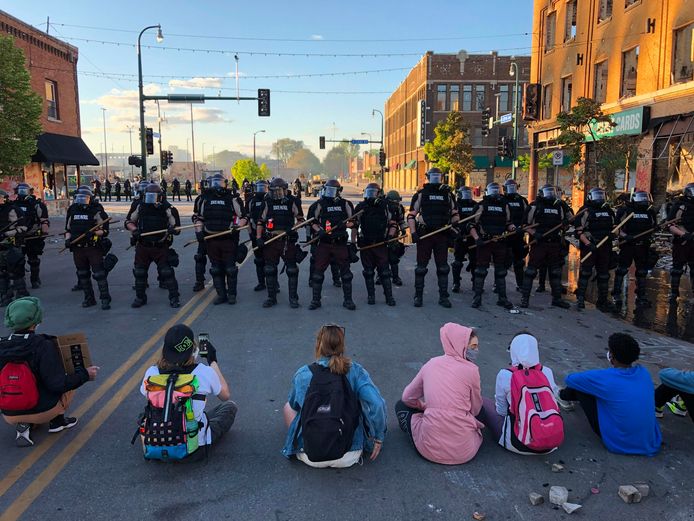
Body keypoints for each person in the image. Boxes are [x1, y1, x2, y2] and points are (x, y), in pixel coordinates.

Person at [282, 324, 386, 468]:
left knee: (288, 407)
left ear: (318, 345)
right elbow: (377, 404)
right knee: (358, 405)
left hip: (310, 455)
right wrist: (379, 438)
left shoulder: (303, 374)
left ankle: (304, 441)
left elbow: (294, 405)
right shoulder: (355, 371)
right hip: (349, 454)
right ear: (342, 346)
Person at [0, 297, 99, 447]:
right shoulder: (43, 345)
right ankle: (57, 421)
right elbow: (58, 384)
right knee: (69, 377)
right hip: (43, 410)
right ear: (35, 322)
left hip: (8, 413)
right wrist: (85, 374)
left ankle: (24, 423)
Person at [395, 323, 485, 465]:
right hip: (464, 452)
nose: (476, 350)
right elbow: (475, 409)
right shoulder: (472, 370)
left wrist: (424, 407)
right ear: (459, 345)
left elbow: (407, 397)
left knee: (400, 405)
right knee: (483, 406)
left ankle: (414, 430)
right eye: (473, 347)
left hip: (429, 450)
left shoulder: (431, 364)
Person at [138, 324, 236, 455]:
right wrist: (212, 361)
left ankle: (150, 447)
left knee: (143, 416)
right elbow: (225, 395)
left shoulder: (152, 373)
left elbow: (150, 399)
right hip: (195, 448)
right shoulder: (204, 372)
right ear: (193, 350)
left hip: (159, 442)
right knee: (229, 407)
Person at [559, 332, 662, 456]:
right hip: (650, 442)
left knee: (581, 388)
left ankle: (561, 396)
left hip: (619, 442)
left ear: (612, 356)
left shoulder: (606, 378)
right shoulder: (644, 373)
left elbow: (571, 379)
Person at [488, 332, 562, 454]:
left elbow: (501, 411)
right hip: (551, 443)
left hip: (517, 443)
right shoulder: (547, 372)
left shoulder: (506, 374)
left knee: (485, 404)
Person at [407, 168, 460, 308]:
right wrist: (413, 233)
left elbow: (455, 213)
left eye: (438, 176)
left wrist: (455, 223)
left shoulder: (448, 194)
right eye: (433, 176)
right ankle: (418, 296)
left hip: (442, 234)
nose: (436, 178)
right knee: (421, 268)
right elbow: (411, 215)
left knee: (443, 268)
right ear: (428, 177)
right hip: (425, 235)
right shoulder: (421, 194)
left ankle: (443, 297)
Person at [194, 173, 248, 305]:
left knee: (230, 269)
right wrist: (199, 232)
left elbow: (243, 216)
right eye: (215, 183)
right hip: (211, 238)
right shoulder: (204, 199)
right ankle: (221, 295)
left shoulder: (232, 199)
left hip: (228, 238)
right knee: (216, 269)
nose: (217, 186)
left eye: (220, 183)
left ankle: (232, 295)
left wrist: (237, 226)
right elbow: (198, 217)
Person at [125, 184, 181, 308]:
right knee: (140, 272)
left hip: (160, 246)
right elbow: (128, 221)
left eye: (153, 197)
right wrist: (134, 230)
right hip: (143, 245)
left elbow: (177, 228)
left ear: (160, 197)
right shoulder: (140, 207)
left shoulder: (168, 208)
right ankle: (140, 298)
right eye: (148, 197)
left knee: (166, 272)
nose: (151, 200)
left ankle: (174, 297)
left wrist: (173, 229)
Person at [308, 179, 357, 310]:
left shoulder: (345, 204)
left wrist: (345, 224)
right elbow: (311, 221)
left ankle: (348, 300)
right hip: (324, 243)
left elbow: (354, 222)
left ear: (339, 191)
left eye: (333, 190)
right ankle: (316, 301)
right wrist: (319, 231)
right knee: (318, 274)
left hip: (340, 243)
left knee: (346, 274)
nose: (330, 193)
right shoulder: (319, 204)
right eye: (328, 190)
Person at [520, 185, 571, 309]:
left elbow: (569, 222)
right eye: (547, 192)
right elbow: (525, 225)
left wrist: (565, 224)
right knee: (531, 271)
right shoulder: (534, 206)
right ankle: (525, 299)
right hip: (539, 243)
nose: (550, 195)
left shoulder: (560, 206)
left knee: (555, 271)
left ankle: (557, 299)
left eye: (551, 192)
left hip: (554, 243)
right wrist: (534, 234)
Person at [255, 178, 304, 308]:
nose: (275, 194)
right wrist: (259, 238)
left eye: (278, 191)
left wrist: (293, 228)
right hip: (271, 240)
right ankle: (271, 298)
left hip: (287, 240)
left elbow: (301, 220)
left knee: (292, 270)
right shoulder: (267, 201)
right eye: (273, 191)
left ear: (285, 189)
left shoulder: (293, 201)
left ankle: (293, 298)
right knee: (270, 269)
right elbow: (260, 222)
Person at [469, 182, 516, 309]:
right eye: (493, 190)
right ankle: (477, 298)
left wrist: (513, 228)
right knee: (480, 271)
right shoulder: (482, 206)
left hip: (499, 242)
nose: (496, 193)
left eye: (498, 190)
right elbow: (471, 225)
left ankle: (502, 298)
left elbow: (508, 222)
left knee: (501, 272)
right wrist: (477, 238)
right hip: (485, 242)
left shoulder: (504, 206)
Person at [64, 187, 112, 310]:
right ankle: (89, 298)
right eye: (79, 198)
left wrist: (95, 233)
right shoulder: (73, 210)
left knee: (99, 274)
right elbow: (68, 229)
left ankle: (105, 299)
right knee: (83, 274)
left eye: (84, 198)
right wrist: (67, 240)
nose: (81, 201)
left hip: (93, 247)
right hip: (78, 248)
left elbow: (105, 230)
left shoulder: (96, 211)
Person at [612, 190, 657, 308]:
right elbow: (616, 227)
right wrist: (625, 236)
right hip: (628, 244)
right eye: (641, 198)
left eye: (645, 198)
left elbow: (653, 227)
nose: (644, 201)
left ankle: (641, 295)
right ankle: (616, 294)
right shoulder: (625, 211)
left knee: (642, 271)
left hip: (643, 245)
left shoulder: (650, 212)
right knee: (622, 269)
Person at [574, 187, 616, 311]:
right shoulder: (585, 211)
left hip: (605, 246)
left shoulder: (608, 210)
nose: (600, 198)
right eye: (597, 196)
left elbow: (615, 226)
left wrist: (614, 233)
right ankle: (580, 298)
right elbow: (579, 232)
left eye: (601, 195)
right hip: (590, 246)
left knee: (603, 274)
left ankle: (602, 300)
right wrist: (588, 244)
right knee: (586, 272)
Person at [354, 183, 397, 306]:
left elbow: (392, 223)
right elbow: (354, 226)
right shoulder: (361, 207)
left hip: (381, 243)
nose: (371, 195)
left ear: (379, 193)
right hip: (366, 244)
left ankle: (389, 297)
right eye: (369, 192)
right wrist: (352, 242)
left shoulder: (386, 206)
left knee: (385, 272)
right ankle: (371, 296)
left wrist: (390, 236)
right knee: (368, 272)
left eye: (374, 192)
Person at [13, 183, 49, 289]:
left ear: (30, 191)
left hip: (32, 236)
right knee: (18, 260)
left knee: (33, 260)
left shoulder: (36, 205)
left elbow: (44, 220)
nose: (22, 193)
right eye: (21, 191)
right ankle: (20, 282)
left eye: (25, 191)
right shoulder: (14, 205)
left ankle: (35, 279)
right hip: (18, 236)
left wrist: (43, 233)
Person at [667, 183, 694, 301]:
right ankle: (673, 293)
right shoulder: (680, 205)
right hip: (682, 241)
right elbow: (670, 224)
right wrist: (683, 234)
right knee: (677, 269)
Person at [0, 190, 28, 305]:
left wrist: (6, 234)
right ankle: (5, 296)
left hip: (11, 244)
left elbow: (23, 227)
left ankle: (22, 295)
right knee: (1, 273)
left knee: (16, 271)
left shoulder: (13, 210)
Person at [502, 179, 529, 290]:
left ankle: (520, 284)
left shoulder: (522, 200)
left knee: (519, 262)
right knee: (505, 261)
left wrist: (523, 227)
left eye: (513, 187)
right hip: (505, 235)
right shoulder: (502, 200)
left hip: (518, 234)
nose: (512, 190)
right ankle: (498, 284)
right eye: (509, 188)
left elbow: (527, 215)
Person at [451, 186, 478, 293]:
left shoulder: (475, 205)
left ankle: (476, 283)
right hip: (460, 237)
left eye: (469, 193)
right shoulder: (456, 206)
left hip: (473, 237)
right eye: (465, 193)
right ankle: (456, 283)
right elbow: (451, 222)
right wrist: (457, 234)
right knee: (457, 262)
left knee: (475, 262)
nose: (467, 196)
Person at [246, 180, 269, 292]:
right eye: (259, 187)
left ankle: (273, 283)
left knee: (270, 260)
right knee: (259, 260)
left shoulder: (270, 200)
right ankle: (261, 283)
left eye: (263, 187)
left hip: (269, 235)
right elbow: (247, 219)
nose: (261, 190)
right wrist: (251, 234)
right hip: (256, 234)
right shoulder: (251, 201)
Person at [381, 190, 406, 286]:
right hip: (382, 235)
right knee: (382, 258)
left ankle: (395, 277)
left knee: (393, 258)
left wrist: (403, 229)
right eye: (394, 202)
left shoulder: (399, 208)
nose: (396, 204)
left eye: (397, 202)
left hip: (393, 236)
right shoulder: (383, 207)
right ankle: (380, 276)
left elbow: (401, 220)